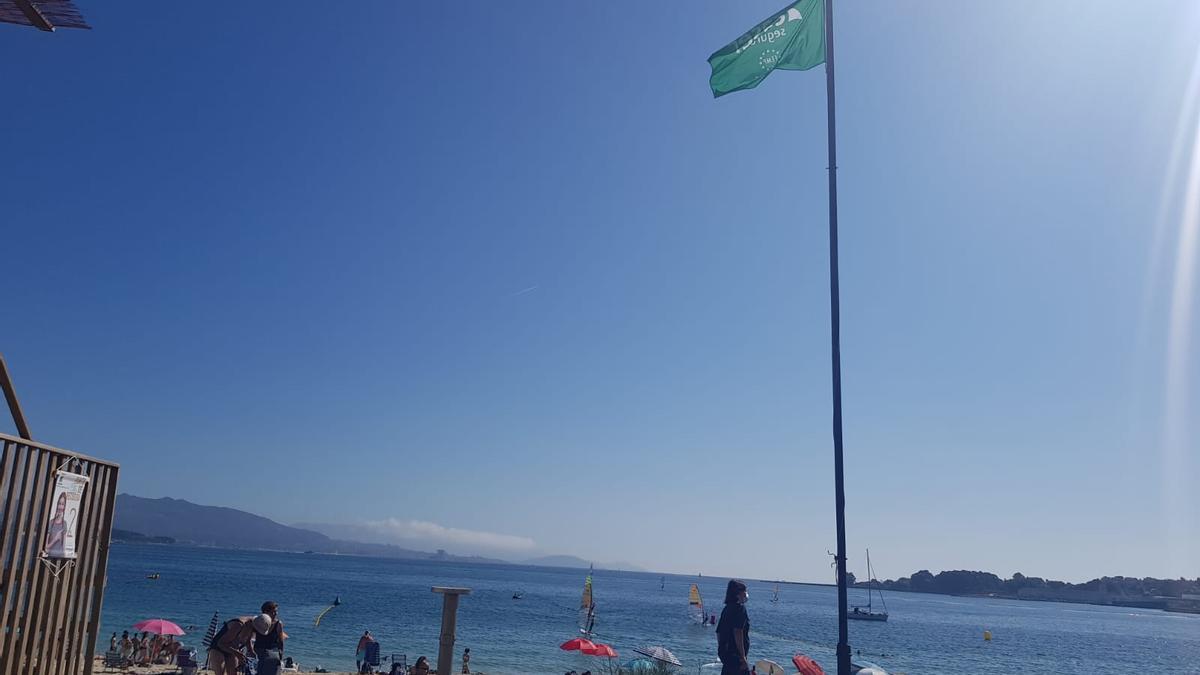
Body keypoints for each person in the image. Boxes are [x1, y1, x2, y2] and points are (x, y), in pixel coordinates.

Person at [207, 613, 272, 675]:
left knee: (233, 672)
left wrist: (251, 651)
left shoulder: (252, 627)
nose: (256, 632)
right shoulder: (239, 625)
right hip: (218, 647)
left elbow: (247, 639)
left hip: (233, 649)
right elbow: (221, 643)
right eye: (256, 630)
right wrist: (237, 654)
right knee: (220, 673)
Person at [716, 579, 751, 675]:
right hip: (736, 656)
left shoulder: (727, 609)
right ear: (738, 593)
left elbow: (718, 632)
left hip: (726, 655)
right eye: (744, 590)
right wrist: (743, 657)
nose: (746, 593)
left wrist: (722, 649)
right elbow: (738, 632)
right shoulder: (740, 609)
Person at [256, 601, 286, 675]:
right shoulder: (278, 624)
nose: (276, 613)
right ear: (266, 612)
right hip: (269, 653)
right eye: (274, 612)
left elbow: (281, 641)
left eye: (276, 611)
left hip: (262, 652)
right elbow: (280, 641)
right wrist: (281, 654)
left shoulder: (257, 621)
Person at [43, 493, 68, 557]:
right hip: (50, 557)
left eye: (62, 504)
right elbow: (46, 548)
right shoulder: (51, 522)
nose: (60, 507)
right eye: (59, 504)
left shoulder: (64, 524)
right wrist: (55, 539)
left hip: (61, 558)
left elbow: (64, 548)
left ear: (64, 507)